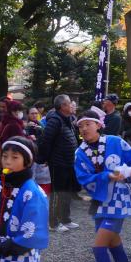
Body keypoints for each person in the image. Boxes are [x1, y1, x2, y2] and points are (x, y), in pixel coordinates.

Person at [74, 110, 131, 262]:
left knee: (99, 246)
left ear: (99, 125)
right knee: (114, 245)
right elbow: (83, 179)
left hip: (119, 200)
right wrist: (107, 176)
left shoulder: (115, 141)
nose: (84, 128)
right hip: (99, 201)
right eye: (80, 126)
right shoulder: (80, 153)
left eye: (88, 124)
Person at [37, 94, 81, 232]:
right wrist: (43, 158)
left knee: (67, 191)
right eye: (69, 103)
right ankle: (53, 223)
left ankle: (65, 219)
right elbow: (46, 140)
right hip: (58, 163)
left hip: (68, 162)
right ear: (63, 106)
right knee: (57, 192)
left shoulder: (66, 119)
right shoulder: (55, 120)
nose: (72, 105)